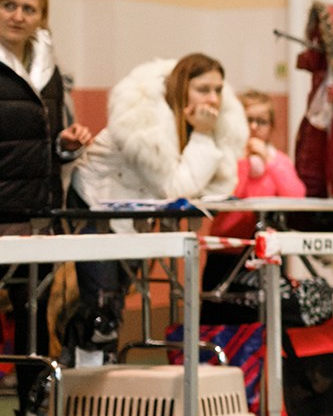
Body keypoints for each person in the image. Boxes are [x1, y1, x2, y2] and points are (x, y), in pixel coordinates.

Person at [64, 53, 246, 364]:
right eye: (203, 89)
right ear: (182, 87)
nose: (213, 99)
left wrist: (204, 136)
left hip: (132, 215)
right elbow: (175, 189)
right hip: (94, 207)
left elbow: (219, 187)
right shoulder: (143, 119)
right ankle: (68, 388)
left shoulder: (204, 121)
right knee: (101, 313)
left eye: (218, 90)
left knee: (112, 310)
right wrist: (202, 136)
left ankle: (86, 381)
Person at [0, 0, 93, 416]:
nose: (18, 16)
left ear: (42, 18)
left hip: (39, 215)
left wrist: (65, 145)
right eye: (9, 5)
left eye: (28, 8)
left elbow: (44, 146)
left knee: (35, 326)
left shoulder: (49, 72)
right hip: (1, 218)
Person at [202, 91, 305, 323]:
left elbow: (296, 196)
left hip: (266, 254)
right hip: (227, 251)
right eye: (249, 120)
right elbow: (226, 196)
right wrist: (243, 162)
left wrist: (270, 162)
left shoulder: (278, 160)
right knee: (218, 317)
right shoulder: (227, 157)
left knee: (265, 317)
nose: (255, 127)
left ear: (271, 127)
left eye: (262, 121)